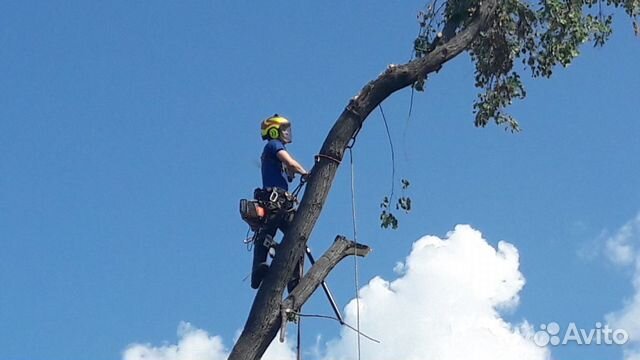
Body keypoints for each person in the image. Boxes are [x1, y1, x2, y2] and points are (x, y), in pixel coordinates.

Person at [251, 114, 309, 290]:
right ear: (274, 130)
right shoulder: (273, 145)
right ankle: (259, 270)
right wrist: (306, 173)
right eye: (284, 129)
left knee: (296, 237)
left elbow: (288, 173)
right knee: (267, 235)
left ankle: (293, 277)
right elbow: (291, 163)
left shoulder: (275, 150)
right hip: (274, 200)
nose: (287, 133)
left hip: (283, 201)